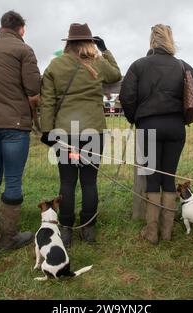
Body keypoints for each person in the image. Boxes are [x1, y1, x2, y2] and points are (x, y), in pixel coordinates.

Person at [40, 23, 122, 247]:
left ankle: (66, 229)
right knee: (89, 182)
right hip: (93, 132)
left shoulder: (55, 65)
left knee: (67, 182)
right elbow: (116, 74)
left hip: (64, 132)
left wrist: (46, 130)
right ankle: (88, 228)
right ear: (89, 42)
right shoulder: (97, 62)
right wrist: (105, 50)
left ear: (68, 42)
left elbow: (47, 101)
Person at [119, 24, 193, 245]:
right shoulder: (183, 66)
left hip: (148, 126)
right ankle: (167, 231)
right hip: (175, 127)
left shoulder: (139, 66)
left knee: (152, 179)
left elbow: (126, 97)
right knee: (169, 178)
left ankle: (152, 233)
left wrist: (137, 118)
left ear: (152, 40)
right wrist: (183, 119)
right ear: (171, 40)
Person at [0, 10, 41, 259]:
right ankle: (9, 237)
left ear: (1, 26)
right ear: (21, 29)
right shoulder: (24, 50)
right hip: (14, 124)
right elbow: (34, 88)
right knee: (12, 180)